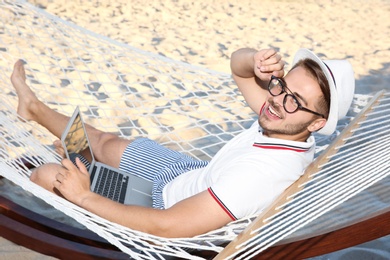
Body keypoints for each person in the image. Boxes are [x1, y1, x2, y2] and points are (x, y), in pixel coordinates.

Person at [10, 47, 354, 238]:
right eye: (281, 85)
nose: (277, 100)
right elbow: (239, 69)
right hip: (189, 173)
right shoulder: (285, 121)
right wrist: (255, 62)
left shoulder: (263, 174)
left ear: (318, 122)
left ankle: (89, 176)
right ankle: (34, 108)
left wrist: (83, 195)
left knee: (47, 175)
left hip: (160, 203)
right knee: (103, 141)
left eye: (295, 99)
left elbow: (168, 225)